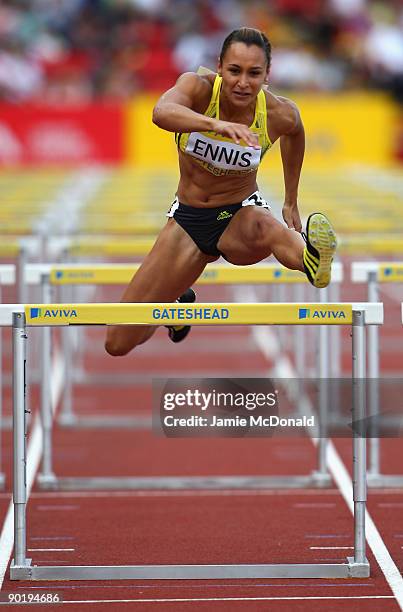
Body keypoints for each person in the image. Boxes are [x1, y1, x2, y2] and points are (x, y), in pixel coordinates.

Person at [105, 27, 337, 357]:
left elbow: (296, 131)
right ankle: (175, 307)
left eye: (254, 73)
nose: (243, 82)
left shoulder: (276, 113)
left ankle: (311, 260)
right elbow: (161, 113)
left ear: (267, 74)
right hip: (188, 221)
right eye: (235, 71)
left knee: (267, 226)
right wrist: (215, 125)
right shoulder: (197, 89)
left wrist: (291, 200)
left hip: (239, 215)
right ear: (219, 67)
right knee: (118, 342)